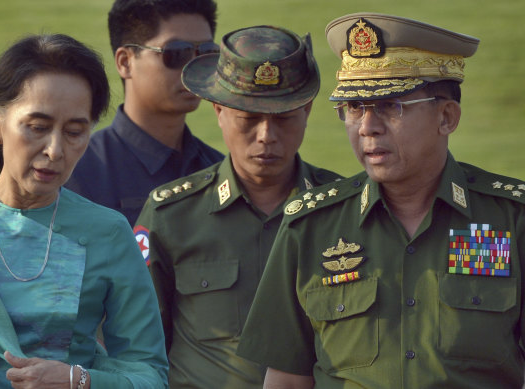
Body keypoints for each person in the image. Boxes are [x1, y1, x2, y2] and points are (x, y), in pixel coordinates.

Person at [237, 13, 525, 389]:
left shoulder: (510, 220)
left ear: (447, 117)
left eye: (391, 106)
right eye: (354, 107)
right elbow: (287, 380)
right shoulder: (309, 226)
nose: (367, 126)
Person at [0, 34, 168, 388]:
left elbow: (149, 375)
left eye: (75, 131)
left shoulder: (106, 233)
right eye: (38, 127)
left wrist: (80, 380)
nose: (55, 150)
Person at [135, 25, 343, 388]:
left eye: (283, 118)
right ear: (219, 110)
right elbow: (137, 341)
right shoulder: (170, 216)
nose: (266, 136)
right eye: (249, 119)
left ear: (307, 110)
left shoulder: (344, 211)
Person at [65, 0, 224, 227]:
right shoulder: (76, 172)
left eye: (206, 53)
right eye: (177, 53)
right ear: (126, 62)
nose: (194, 67)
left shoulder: (220, 170)